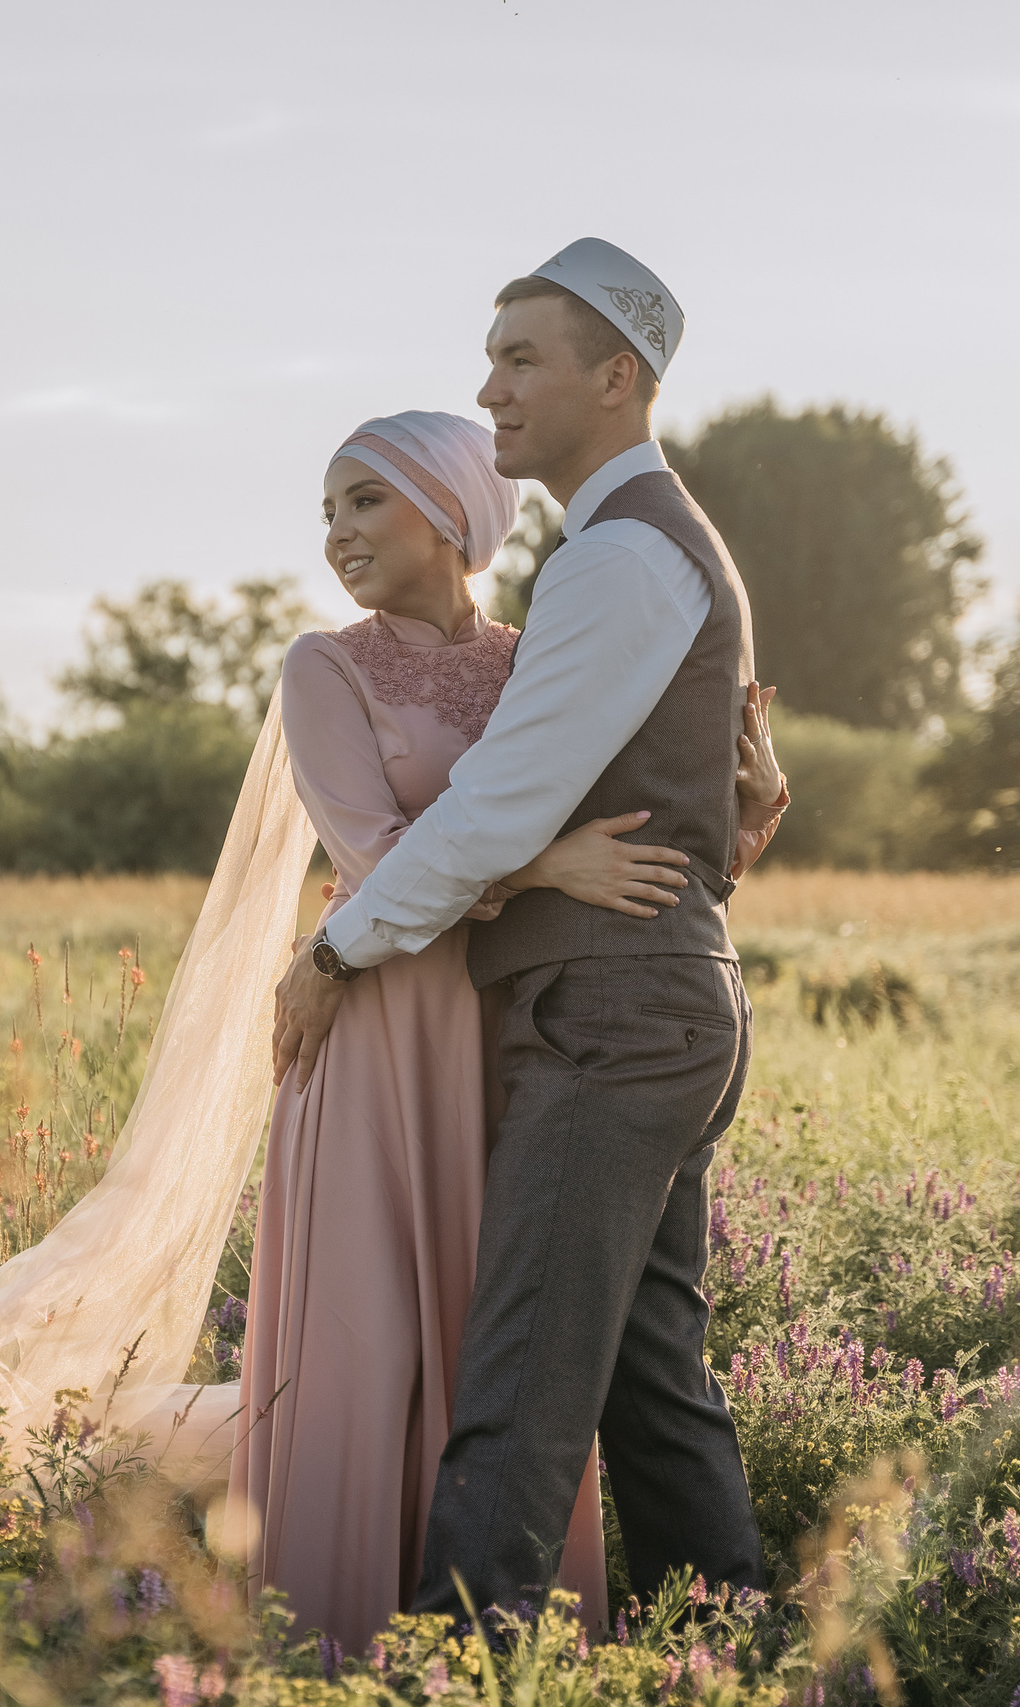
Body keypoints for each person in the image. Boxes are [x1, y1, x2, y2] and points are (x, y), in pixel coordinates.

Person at [271, 239, 783, 1622]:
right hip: (657, 999)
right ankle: (725, 1641)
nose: (490, 390)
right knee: (646, 1377)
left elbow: (500, 801)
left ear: (616, 379)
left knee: (523, 1384)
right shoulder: (651, 542)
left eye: (520, 360)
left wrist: (336, 950)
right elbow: (702, 770)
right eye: (489, 360)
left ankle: (459, 1662)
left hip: (611, 1012)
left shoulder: (619, 554)